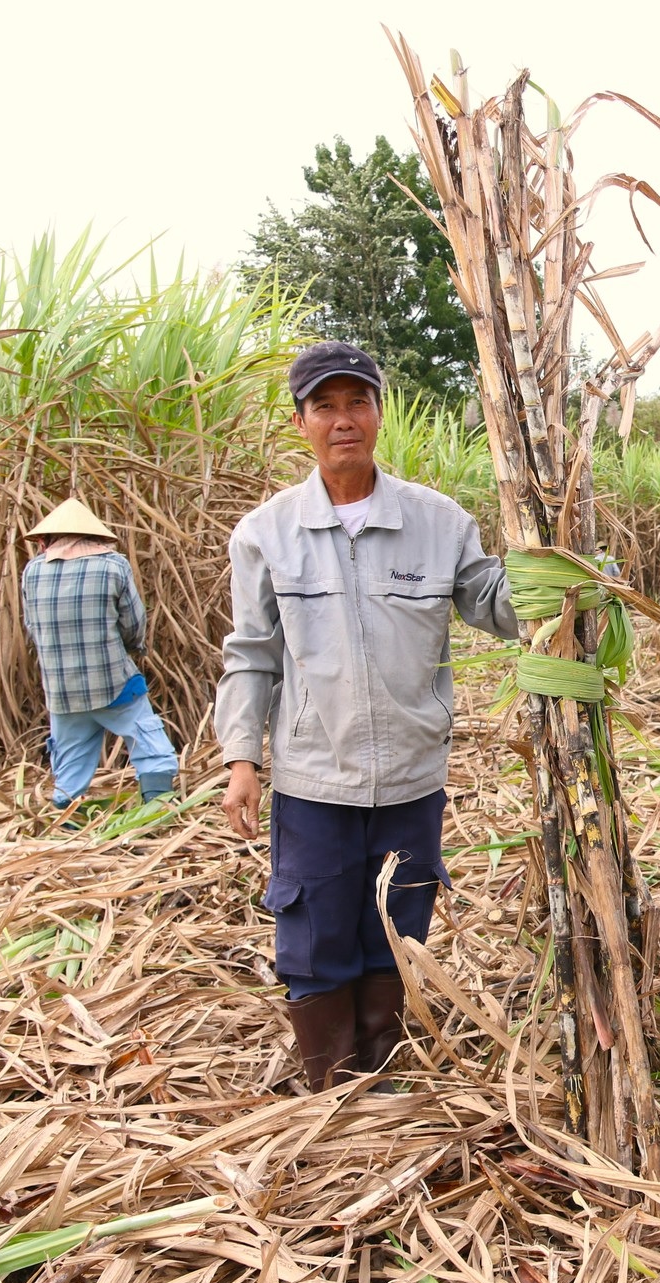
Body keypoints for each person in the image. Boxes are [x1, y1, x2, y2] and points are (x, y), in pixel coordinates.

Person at [216, 342, 518, 1092]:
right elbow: (251, 652)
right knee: (315, 932)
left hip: (412, 774)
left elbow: (494, 601)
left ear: (380, 414)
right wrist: (242, 759)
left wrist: (568, 576)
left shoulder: (438, 523)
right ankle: (329, 1080)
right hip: (315, 776)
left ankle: (377, 1070)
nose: (343, 420)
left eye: (358, 403)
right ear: (301, 423)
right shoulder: (267, 533)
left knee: (398, 927)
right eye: (326, 406)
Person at [19, 498, 180, 814]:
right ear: (97, 537)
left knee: (71, 754)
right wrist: (134, 649)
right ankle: (157, 806)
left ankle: (66, 818)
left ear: (44, 540)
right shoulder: (112, 564)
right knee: (148, 740)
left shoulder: (32, 571)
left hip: (61, 689)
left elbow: (32, 626)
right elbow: (133, 623)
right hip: (113, 682)